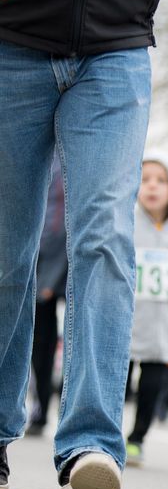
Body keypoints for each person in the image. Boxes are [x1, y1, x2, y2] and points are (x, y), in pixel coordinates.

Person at [0, 0, 168, 489]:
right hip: (13, 41)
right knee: (6, 253)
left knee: (106, 241)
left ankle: (91, 443)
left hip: (116, 51)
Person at [125, 154, 168, 466]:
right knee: (118, 383)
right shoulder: (126, 224)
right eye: (145, 179)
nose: (152, 186)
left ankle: (137, 438)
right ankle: (107, 433)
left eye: (161, 180)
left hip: (161, 324)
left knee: (152, 385)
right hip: (127, 322)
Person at [26, 155, 67, 437]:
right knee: (36, 344)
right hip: (33, 261)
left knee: (47, 343)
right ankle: (38, 405)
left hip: (56, 267)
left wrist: (51, 279)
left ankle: (48, 406)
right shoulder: (40, 158)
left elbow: (62, 227)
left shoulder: (68, 163)